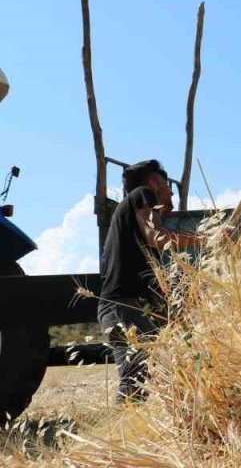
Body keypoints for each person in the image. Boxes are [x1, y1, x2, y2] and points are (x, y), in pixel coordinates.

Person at [97, 159, 201, 403]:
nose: (171, 190)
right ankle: (120, 436)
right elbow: (156, 237)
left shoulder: (129, 213)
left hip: (125, 305)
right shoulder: (142, 193)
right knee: (134, 379)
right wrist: (204, 239)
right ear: (154, 182)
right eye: (167, 185)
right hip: (125, 305)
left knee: (140, 377)